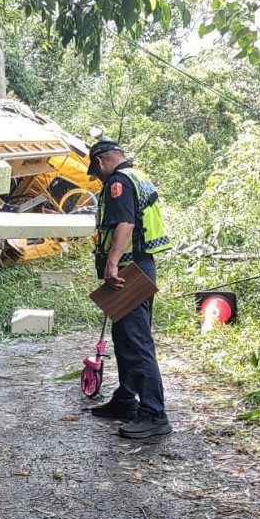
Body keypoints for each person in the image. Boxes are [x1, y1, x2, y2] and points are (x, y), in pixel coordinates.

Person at [86, 138, 172, 440]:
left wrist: (111, 265)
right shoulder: (139, 175)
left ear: (99, 163)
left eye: (94, 172)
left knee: (136, 343)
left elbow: (125, 225)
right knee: (125, 338)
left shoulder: (118, 182)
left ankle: (154, 414)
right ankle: (126, 400)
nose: (97, 177)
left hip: (127, 270)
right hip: (141, 266)